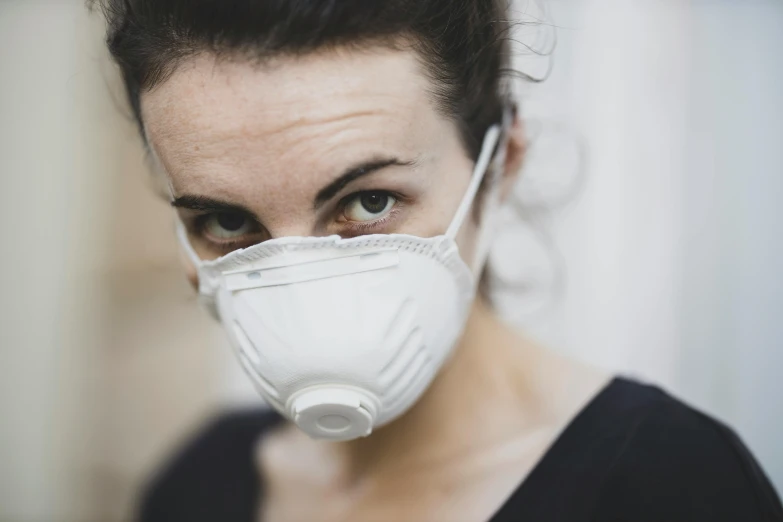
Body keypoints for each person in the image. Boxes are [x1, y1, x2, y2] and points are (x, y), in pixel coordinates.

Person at [91, 1, 783, 521]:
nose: (300, 285)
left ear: (500, 163)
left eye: (367, 202)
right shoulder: (198, 486)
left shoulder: (670, 488)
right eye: (227, 220)